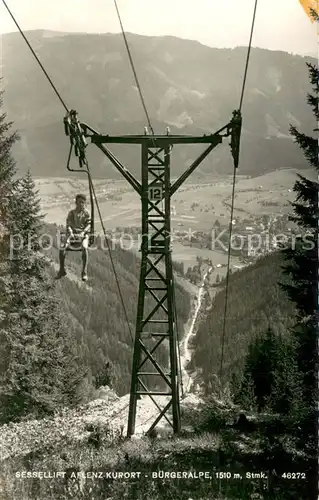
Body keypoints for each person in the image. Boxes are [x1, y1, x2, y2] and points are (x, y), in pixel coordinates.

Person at [56, 193, 91, 281]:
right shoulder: (72, 213)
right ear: (76, 202)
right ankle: (62, 270)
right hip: (72, 233)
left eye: (83, 202)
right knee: (62, 248)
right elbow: (68, 224)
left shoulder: (86, 213)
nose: (82, 204)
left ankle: (84, 272)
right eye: (80, 202)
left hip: (83, 234)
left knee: (85, 247)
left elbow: (89, 224)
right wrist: (70, 231)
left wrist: (83, 232)